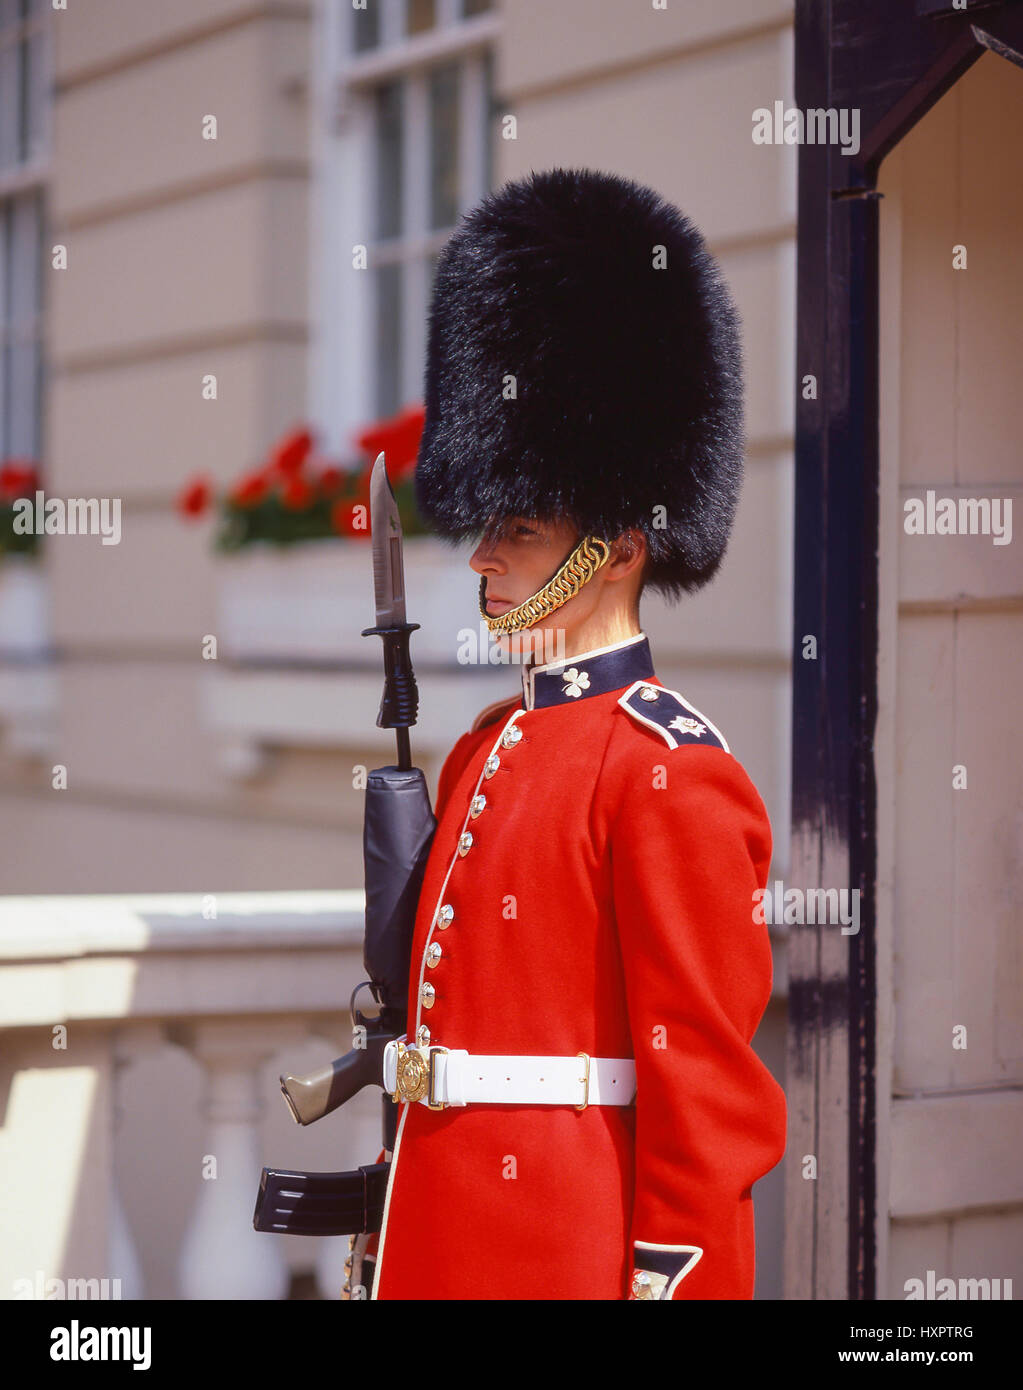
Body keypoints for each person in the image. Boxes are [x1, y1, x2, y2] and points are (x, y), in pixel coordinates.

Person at [354, 166, 786, 1301]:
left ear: (620, 544)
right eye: (488, 526)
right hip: (437, 1240)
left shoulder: (671, 774)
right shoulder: (483, 744)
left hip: (562, 1252)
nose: (485, 557)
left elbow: (708, 1099)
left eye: (523, 527)